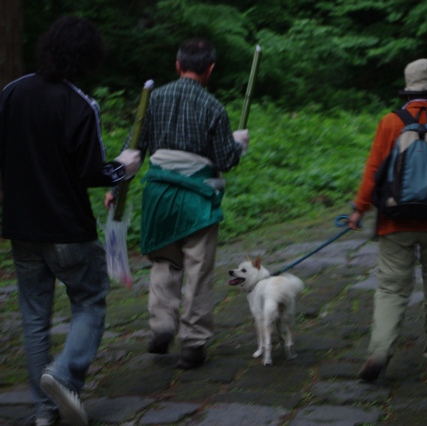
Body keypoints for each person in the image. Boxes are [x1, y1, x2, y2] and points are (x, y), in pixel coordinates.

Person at [0, 16, 141, 426]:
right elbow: (90, 172)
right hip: (68, 229)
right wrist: (123, 167)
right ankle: (63, 375)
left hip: (21, 227)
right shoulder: (80, 104)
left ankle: (44, 412)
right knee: (90, 302)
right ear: (87, 58)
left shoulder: (11, 93)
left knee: (33, 317)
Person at [105, 39, 249, 370]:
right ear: (210, 69)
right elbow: (225, 160)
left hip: (159, 196)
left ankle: (162, 326)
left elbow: (131, 151)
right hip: (198, 198)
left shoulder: (152, 101)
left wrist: (116, 186)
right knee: (198, 269)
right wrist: (238, 144)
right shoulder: (214, 107)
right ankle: (193, 342)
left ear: (177, 65)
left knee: (164, 261)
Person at [347, 59, 427, 381]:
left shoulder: (390, 122)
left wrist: (359, 209)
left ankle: (379, 351)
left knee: (391, 288)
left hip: (395, 221)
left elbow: (375, 171)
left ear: (408, 90)